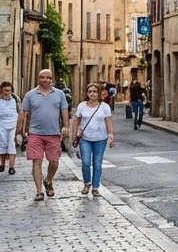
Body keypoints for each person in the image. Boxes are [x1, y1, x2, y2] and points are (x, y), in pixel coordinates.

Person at [18, 69, 69, 201]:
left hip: (54, 134)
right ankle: (39, 191)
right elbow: (24, 112)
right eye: (42, 77)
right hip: (35, 133)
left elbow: (64, 111)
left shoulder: (59, 94)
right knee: (36, 161)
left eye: (48, 78)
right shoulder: (30, 95)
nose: (45, 80)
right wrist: (19, 130)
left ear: (52, 80)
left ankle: (48, 180)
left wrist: (66, 127)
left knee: (54, 162)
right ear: (38, 79)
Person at [70, 83, 114, 197]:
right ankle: (86, 183)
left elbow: (108, 121)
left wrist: (111, 134)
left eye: (95, 91)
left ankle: (95, 187)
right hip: (85, 138)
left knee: (97, 164)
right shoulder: (82, 106)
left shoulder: (104, 107)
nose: (92, 93)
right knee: (85, 162)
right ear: (87, 93)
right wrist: (74, 135)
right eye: (90, 91)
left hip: (101, 138)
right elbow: (76, 121)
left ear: (99, 93)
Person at [0, 82, 17, 175]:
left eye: (9, 90)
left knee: (11, 144)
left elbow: (20, 110)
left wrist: (20, 127)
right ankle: (1, 164)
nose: (7, 92)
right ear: (2, 90)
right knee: (2, 144)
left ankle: (11, 167)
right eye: (5, 90)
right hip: (1, 124)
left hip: (13, 124)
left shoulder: (15, 99)